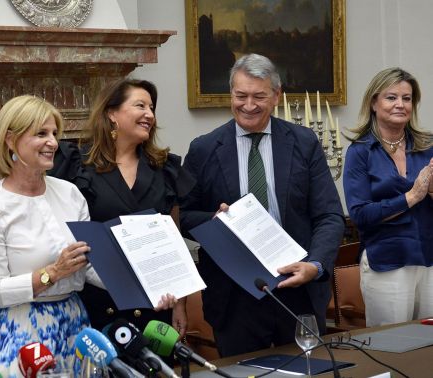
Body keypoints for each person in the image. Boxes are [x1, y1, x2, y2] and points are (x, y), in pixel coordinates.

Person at [180, 54, 345, 357]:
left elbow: (329, 215)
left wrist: (315, 265)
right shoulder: (204, 149)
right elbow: (184, 216)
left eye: (259, 96)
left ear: (276, 96)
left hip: (297, 289)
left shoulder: (304, 142)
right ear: (230, 94)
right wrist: (213, 219)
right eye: (240, 95)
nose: (249, 105)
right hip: (234, 297)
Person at [0, 95, 105, 377]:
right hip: (18, 332)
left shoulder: (70, 193)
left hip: (74, 324)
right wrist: (52, 272)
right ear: (10, 140)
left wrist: (142, 287)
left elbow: (89, 265)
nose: (53, 142)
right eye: (41, 133)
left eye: (55, 133)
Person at [49, 78, 194, 338]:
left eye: (152, 108)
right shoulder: (77, 165)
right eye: (140, 105)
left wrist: (180, 303)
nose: (149, 114)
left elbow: (175, 242)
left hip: (156, 304)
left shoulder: (165, 168)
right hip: (98, 306)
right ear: (111, 113)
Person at [343, 68, 433, 327]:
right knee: (393, 346)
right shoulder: (360, 152)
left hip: (429, 258)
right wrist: (412, 196)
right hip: (387, 262)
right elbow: (360, 215)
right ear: (374, 102)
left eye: (407, 98)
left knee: (428, 349)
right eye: (391, 97)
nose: (400, 105)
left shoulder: (427, 146)